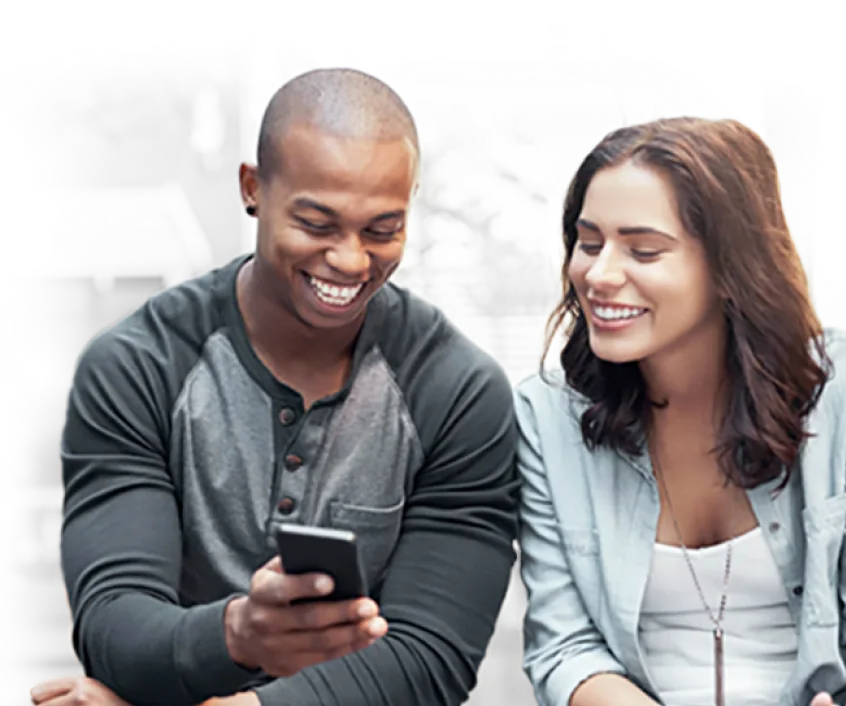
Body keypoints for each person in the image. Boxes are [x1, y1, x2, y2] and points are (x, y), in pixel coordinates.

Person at [28, 67, 520, 706]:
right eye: (317, 223)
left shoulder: (457, 391)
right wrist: (237, 634)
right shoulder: (138, 366)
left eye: (381, 229)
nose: (350, 259)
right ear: (252, 188)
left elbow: (431, 658)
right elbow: (114, 624)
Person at [513, 117, 846, 706]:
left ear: (730, 268)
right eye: (589, 244)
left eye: (643, 250)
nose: (599, 274)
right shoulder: (546, 416)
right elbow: (566, 649)